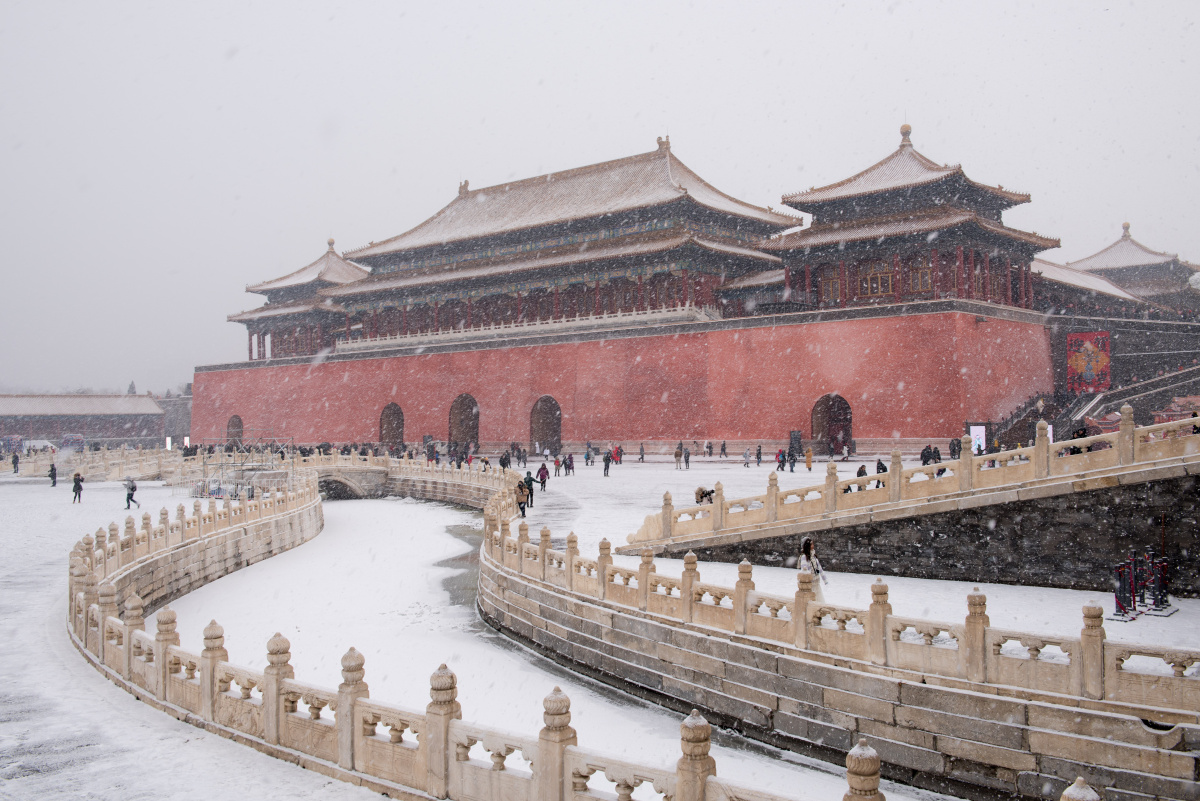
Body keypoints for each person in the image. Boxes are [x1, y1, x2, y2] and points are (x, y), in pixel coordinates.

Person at [799, 537, 828, 603]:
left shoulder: (814, 557)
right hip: (810, 584)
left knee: (818, 598)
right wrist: (808, 578)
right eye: (811, 544)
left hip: (816, 582)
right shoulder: (804, 557)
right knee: (811, 599)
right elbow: (804, 569)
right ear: (807, 546)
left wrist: (825, 580)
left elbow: (819, 569)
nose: (813, 546)